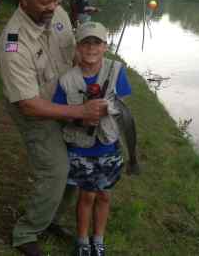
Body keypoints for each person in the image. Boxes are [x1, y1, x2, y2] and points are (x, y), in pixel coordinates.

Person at [0, 0, 107, 256]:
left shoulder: (57, 14)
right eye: (45, 3)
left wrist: (91, 68)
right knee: (56, 169)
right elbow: (28, 104)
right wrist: (80, 113)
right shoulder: (12, 44)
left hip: (67, 100)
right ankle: (26, 233)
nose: (54, 7)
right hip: (34, 109)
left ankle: (50, 219)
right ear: (24, 1)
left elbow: (71, 53)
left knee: (76, 159)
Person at [53, 21, 132, 256]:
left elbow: (126, 108)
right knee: (86, 195)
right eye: (86, 43)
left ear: (105, 47)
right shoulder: (66, 79)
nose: (91, 48)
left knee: (105, 195)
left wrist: (110, 111)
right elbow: (59, 112)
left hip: (109, 147)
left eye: (96, 43)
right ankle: (82, 241)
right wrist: (80, 118)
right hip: (81, 150)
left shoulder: (117, 71)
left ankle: (98, 239)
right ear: (78, 47)